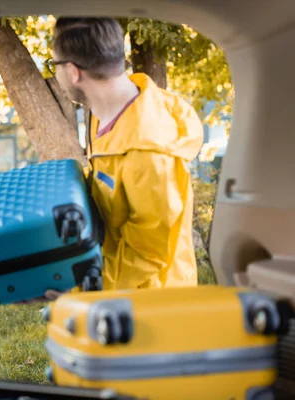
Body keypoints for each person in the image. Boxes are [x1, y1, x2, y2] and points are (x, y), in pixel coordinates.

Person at [46, 17, 203, 290]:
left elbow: (149, 252)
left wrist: (86, 291)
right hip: (116, 286)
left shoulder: (149, 152)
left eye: (53, 65)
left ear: (73, 71)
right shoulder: (107, 112)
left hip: (149, 305)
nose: (54, 74)